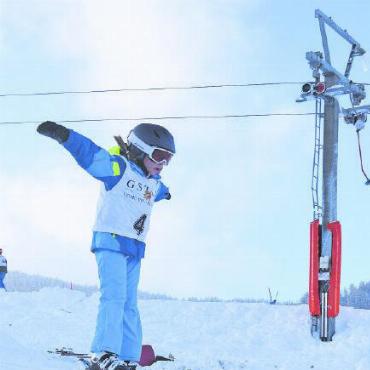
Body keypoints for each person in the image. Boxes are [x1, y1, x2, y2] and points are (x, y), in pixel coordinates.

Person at [37, 121, 175, 370]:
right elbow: (91, 155)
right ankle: (104, 352)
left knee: (129, 303)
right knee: (114, 297)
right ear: (140, 150)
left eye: (169, 158)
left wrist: (166, 193)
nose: (163, 163)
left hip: (134, 248)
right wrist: (65, 136)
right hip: (110, 240)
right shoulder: (118, 169)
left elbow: (160, 190)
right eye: (159, 155)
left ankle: (128, 355)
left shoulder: (154, 183)